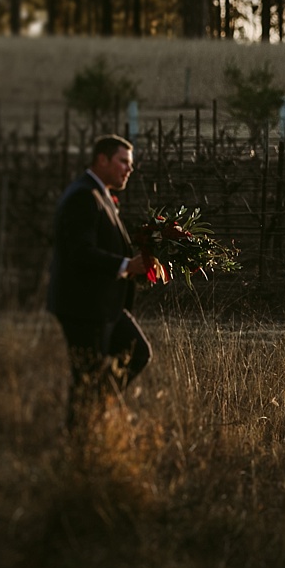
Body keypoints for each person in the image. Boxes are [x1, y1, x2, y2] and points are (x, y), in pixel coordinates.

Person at [47, 134, 165, 430]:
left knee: (137, 352)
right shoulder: (83, 197)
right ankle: (81, 437)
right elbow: (80, 252)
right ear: (102, 159)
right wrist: (127, 265)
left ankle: (93, 414)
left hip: (103, 303)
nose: (129, 169)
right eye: (123, 161)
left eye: (131, 164)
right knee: (86, 375)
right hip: (83, 305)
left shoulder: (100, 195)